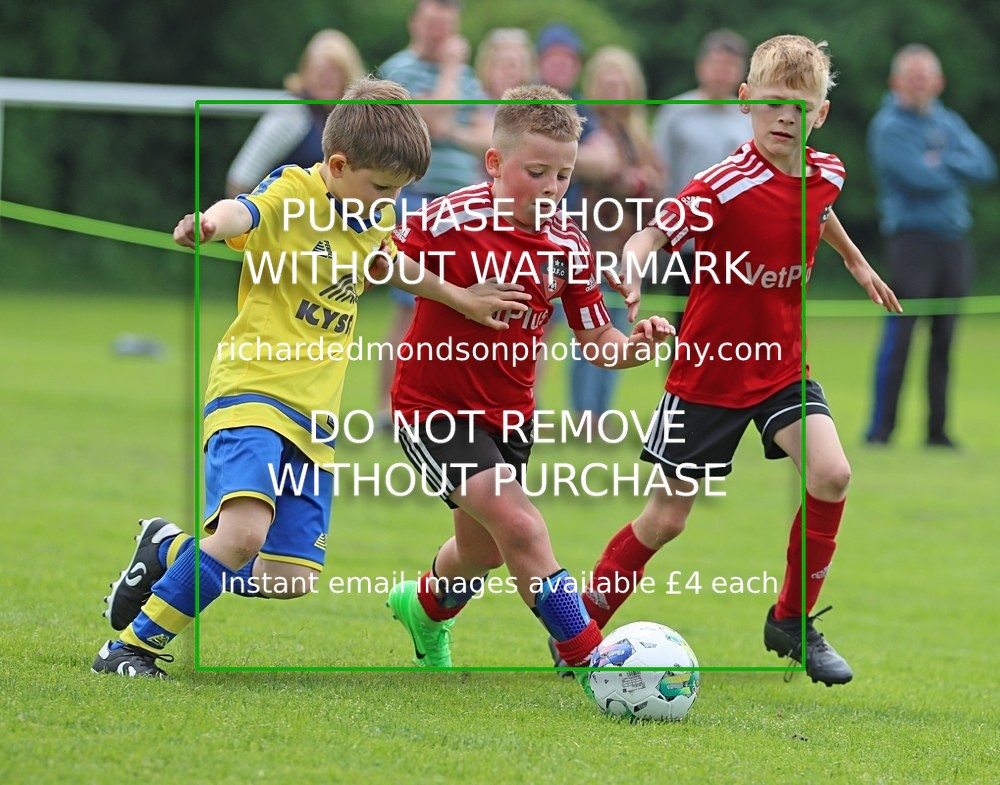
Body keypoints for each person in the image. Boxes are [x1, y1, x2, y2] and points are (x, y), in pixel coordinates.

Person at [92, 78, 531, 679]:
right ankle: (131, 649)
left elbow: (395, 264)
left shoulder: (372, 213)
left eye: (399, 192)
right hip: (254, 388)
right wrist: (208, 223)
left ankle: (167, 552)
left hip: (315, 416)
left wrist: (463, 299)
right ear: (337, 164)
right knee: (243, 535)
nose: (389, 202)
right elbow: (244, 209)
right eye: (381, 187)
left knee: (288, 579)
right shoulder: (294, 191)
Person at [569, 36, 902, 687]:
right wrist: (631, 266)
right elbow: (656, 228)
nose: (786, 118)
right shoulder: (724, 182)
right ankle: (581, 624)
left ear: (820, 115)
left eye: (800, 107)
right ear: (745, 102)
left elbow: (819, 207)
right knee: (666, 518)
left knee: (832, 473)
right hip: (708, 374)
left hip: (781, 367)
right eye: (773, 104)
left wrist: (856, 263)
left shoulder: (824, 169)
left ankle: (791, 619)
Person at [384, 85, 674, 672]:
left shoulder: (569, 242)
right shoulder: (451, 217)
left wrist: (638, 348)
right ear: (495, 163)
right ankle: (590, 659)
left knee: (482, 551)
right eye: (536, 171)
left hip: (510, 417)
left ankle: (421, 608)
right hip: (432, 407)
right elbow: (381, 259)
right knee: (522, 526)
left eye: (563, 176)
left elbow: (598, 342)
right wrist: (462, 298)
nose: (551, 188)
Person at [865, 44, 996, 448]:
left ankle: (937, 432)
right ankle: (881, 431)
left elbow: (985, 165)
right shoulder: (888, 126)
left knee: (945, 339)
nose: (919, 84)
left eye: (926, 76)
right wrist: (948, 165)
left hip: (953, 242)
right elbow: (918, 178)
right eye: (912, 76)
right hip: (911, 242)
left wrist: (942, 160)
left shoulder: (947, 120)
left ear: (938, 82)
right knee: (900, 337)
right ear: (896, 81)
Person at [376, 0, 493, 432]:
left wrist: (455, 133)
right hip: (414, 197)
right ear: (414, 23)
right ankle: (390, 409)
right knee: (410, 304)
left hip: (460, 204)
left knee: (452, 309)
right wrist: (450, 69)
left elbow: (486, 134)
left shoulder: (466, 77)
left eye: (446, 25)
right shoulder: (399, 70)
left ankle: (439, 402)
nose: (439, 33)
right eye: (432, 23)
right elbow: (428, 122)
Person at [568, 46, 664, 424]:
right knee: (588, 332)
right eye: (606, 83)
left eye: (619, 83)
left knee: (619, 330)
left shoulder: (636, 134)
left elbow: (656, 180)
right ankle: (584, 416)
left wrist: (643, 182)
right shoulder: (585, 127)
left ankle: (601, 414)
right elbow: (609, 173)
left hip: (625, 250)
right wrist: (632, 180)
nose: (613, 90)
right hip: (589, 244)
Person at [651, 29, 751, 327]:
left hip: (737, 243)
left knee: (731, 328)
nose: (722, 72)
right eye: (716, 63)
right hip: (687, 242)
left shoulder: (750, 116)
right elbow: (659, 173)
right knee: (685, 326)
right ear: (701, 66)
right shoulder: (676, 112)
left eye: (730, 65)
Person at [226, 29, 365, 197]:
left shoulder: (354, 117)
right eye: (319, 70)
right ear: (305, 73)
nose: (326, 78)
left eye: (334, 70)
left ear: (348, 73)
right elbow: (241, 179)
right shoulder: (292, 111)